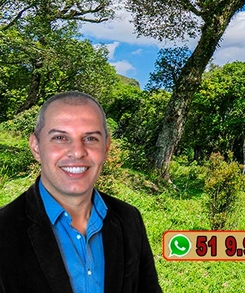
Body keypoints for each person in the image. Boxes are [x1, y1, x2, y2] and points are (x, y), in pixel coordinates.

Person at [0, 91, 162, 293]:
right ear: (36, 147)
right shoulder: (4, 230)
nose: (77, 152)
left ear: (106, 147)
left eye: (91, 138)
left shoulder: (129, 219)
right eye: (60, 137)